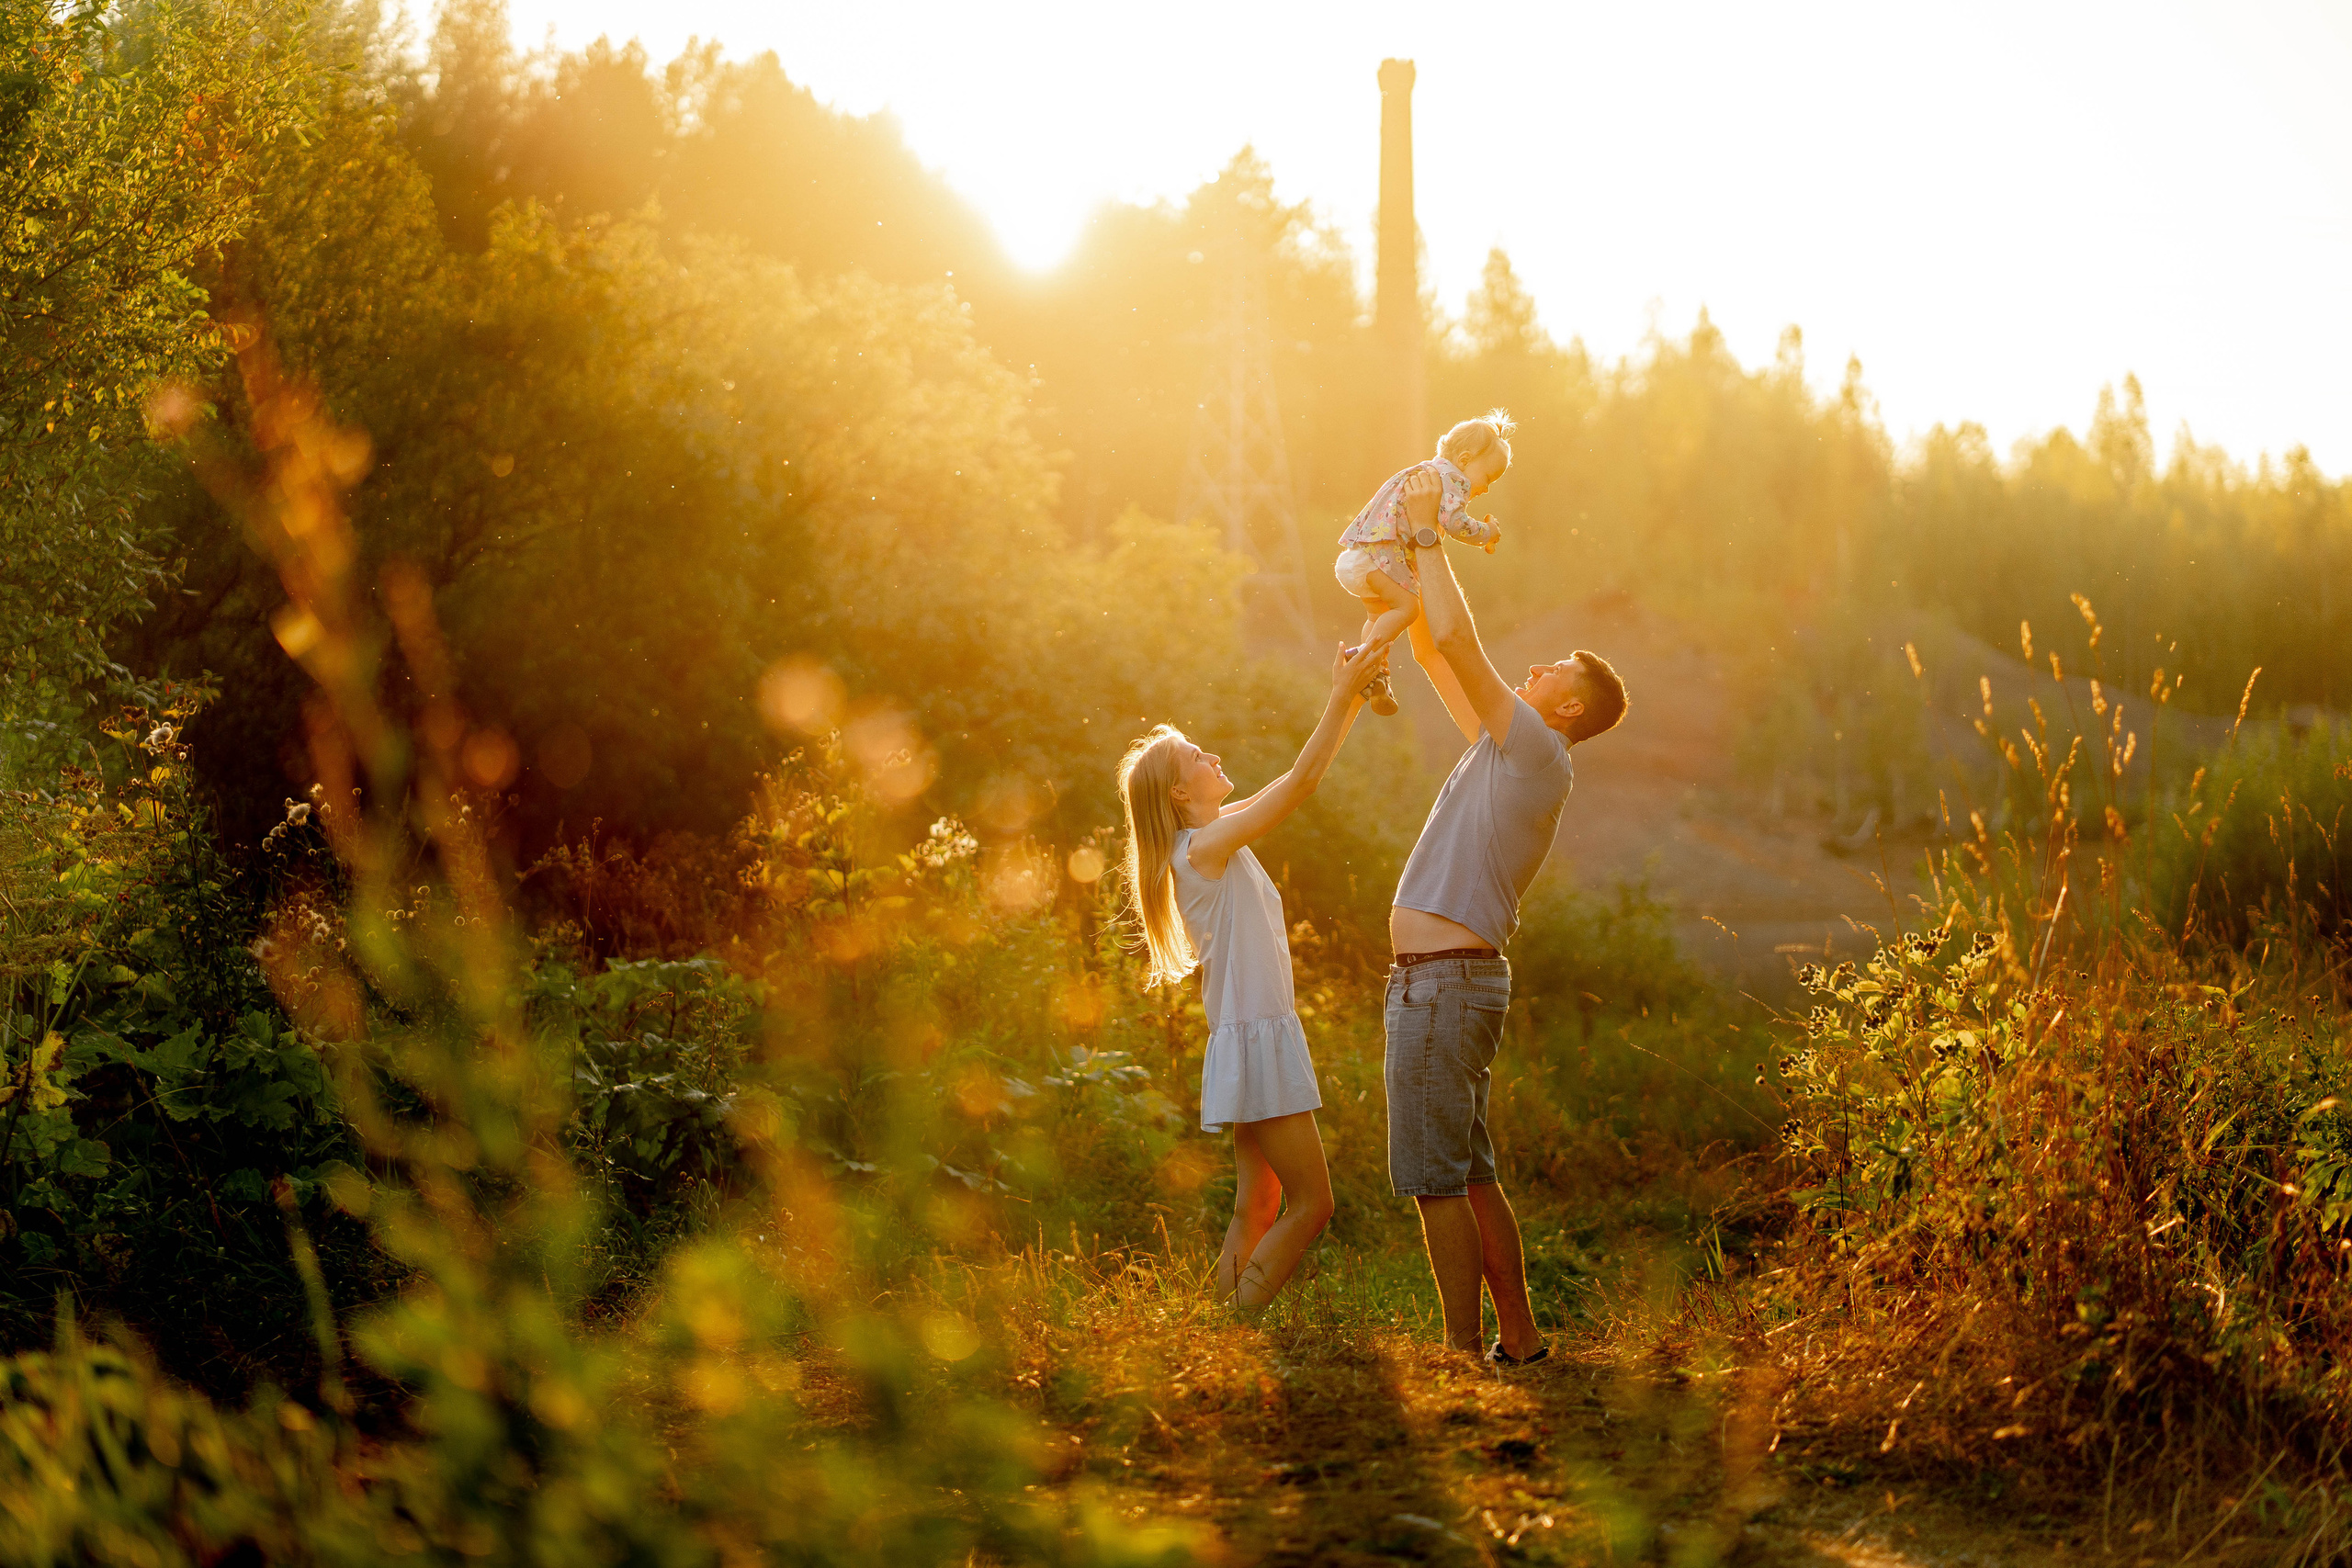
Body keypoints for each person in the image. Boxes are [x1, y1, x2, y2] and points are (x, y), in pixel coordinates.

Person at [1384, 467, 1628, 1364]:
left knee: (1435, 1180)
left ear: (1567, 706)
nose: (1532, 669)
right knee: (1471, 1173)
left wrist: (1427, 531)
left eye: (1549, 669)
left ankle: (1457, 1354)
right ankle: (1518, 1340)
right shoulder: (1506, 746)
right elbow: (1430, 648)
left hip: (1442, 986)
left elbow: (1457, 635)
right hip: (1451, 983)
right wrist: (1394, 568)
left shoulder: (1535, 749)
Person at [1116, 641, 1389, 1306]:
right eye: (1197, 757)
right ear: (1180, 792)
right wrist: (1340, 695)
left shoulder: (1211, 837)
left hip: (1249, 1035)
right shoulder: (1201, 848)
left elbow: (1291, 780)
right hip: (1256, 1036)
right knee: (1313, 1204)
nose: (1212, 757)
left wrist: (1352, 698)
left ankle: (1217, 1332)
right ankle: (1236, 1323)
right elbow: (1301, 786)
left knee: (1258, 1205)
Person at [1333, 411, 1514, 716]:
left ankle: (1375, 674)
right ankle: (1362, 657)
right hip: (1381, 557)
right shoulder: (1453, 479)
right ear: (1465, 460)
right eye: (1489, 477)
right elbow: (1456, 524)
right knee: (1408, 608)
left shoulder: (1422, 471)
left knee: (1379, 615)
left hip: (1359, 556)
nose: (1487, 488)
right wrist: (1488, 532)